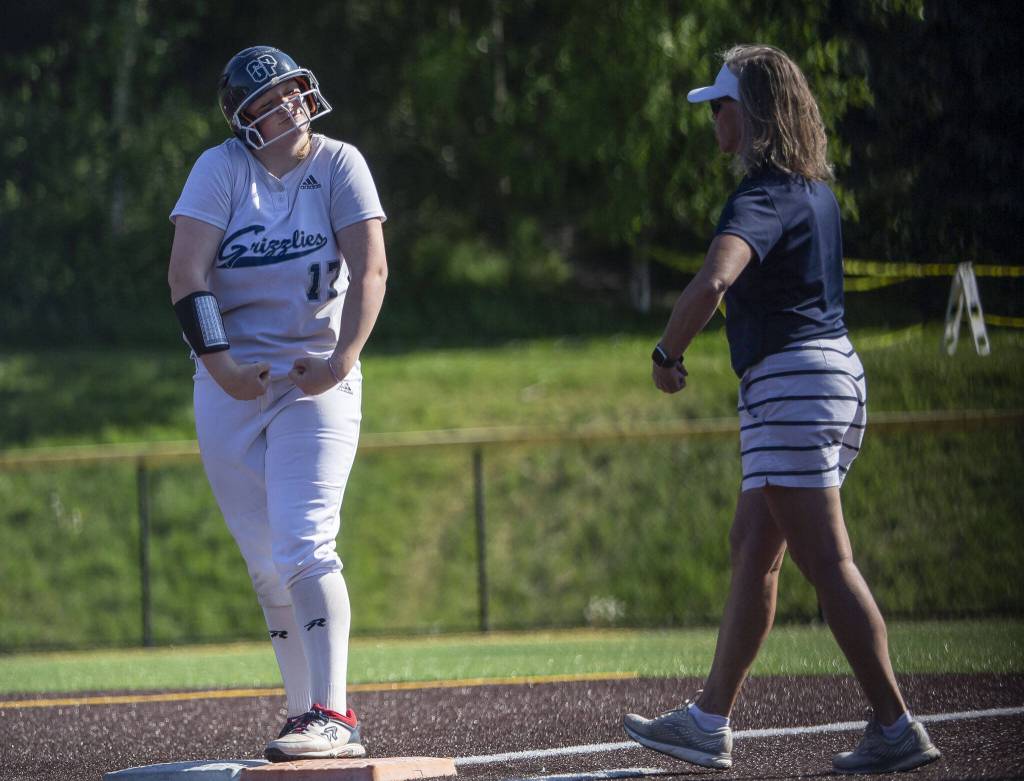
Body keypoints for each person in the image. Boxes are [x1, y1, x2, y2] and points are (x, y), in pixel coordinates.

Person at [622, 45, 941, 775]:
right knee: (753, 547)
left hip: (791, 382)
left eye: (723, 106)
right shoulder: (814, 191)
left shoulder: (761, 194)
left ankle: (894, 722)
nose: (714, 119)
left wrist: (668, 354)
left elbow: (714, 280)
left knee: (827, 562)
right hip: (831, 372)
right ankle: (709, 719)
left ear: (754, 112)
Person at [166, 45, 387, 762]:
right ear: (243, 117)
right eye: (271, 96)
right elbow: (185, 274)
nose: (291, 103)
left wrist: (342, 359)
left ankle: (335, 713)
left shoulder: (340, 163)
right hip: (230, 383)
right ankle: (303, 714)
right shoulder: (220, 168)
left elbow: (371, 265)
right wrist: (221, 365)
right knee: (265, 561)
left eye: (294, 88)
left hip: (313, 377)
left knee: (303, 541)